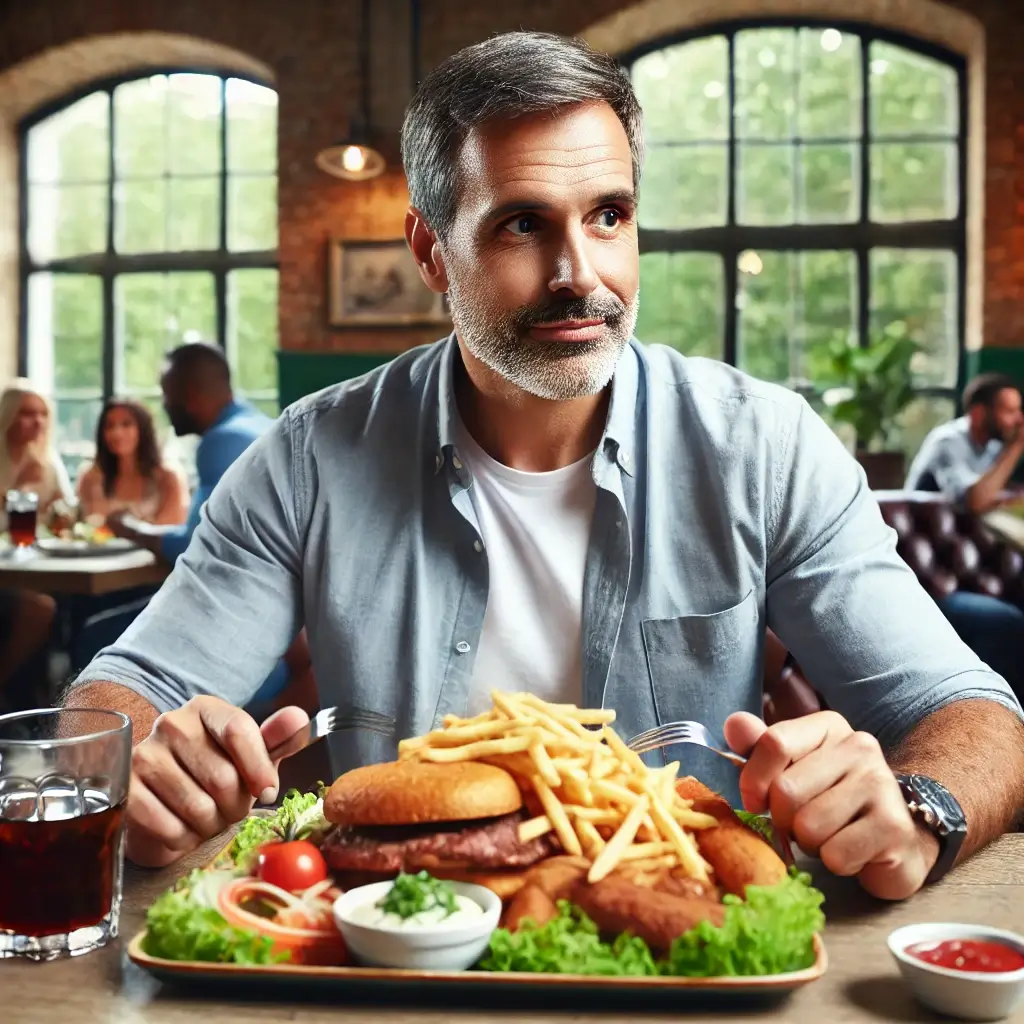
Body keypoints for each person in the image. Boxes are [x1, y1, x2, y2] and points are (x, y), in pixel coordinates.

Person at [68, 32, 1023, 901]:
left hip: (676, 941)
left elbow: (968, 709)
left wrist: (921, 810)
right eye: (523, 224)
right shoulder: (309, 457)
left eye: (609, 215)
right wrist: (141, 769)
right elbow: (120, 695)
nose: (580, 274)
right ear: (431, 252)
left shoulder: (764, 447)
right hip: (397, 950)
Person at [905, 373, 1024, 514]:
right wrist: (1017, 445)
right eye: (1009, 412)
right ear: (978, 414)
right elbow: (974, 502)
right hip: (925, 524)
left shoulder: (993, 445)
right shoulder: (947, 442)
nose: (1019, 419)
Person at [77, 398, 188, 525]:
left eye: (126, 424)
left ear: (143, 429)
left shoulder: (168, 477)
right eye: (109, 426)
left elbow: (171, 529)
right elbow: (83, 526)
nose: (117, 433)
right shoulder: (90, 477)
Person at [0, 379, 73, 524]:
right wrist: (21, 486)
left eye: (44, 414)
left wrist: (60, 513)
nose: (39, 422)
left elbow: (67, 508)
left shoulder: (49, 460)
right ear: (8, 414)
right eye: (28, 414)